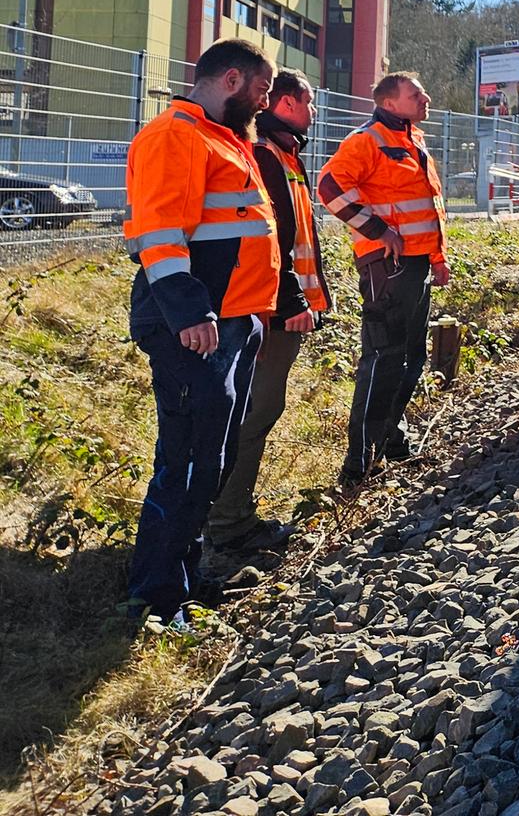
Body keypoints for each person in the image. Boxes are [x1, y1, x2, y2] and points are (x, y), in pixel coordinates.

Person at [120, 38, 278, 623]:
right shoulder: (175, 136)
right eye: (261, 91)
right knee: (186, 458)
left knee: (209, 456)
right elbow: (161, 236)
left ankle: (183, 579)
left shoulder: (221, 138)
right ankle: (156, 596)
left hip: (229, 322)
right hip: (195, 328)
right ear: (231, 80)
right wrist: (190, 314)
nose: (264, 103)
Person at [206, 69, 331, 554]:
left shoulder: (283, 154)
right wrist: (291, 303)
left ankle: (225, 516)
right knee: (255, 411)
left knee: (256, 409)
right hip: (268, 308)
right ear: (287, 104)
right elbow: (270, 238)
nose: (314, 113)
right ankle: (227, 522)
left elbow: (295, 234)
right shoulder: (266, 154)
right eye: (309, 103)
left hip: (272, 304)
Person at [317, 72, 451, 486]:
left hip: (416, 265)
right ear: (390, 103)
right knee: (384, 359)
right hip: (388, 267)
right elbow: (330, 186)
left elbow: (426, 207)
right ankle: (359, 464)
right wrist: (378, 231)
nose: (426, 97)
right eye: (416, 94)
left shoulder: (413, 138)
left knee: (412, 358)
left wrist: (438, 258)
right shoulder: (366, 139)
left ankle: (390, 438)